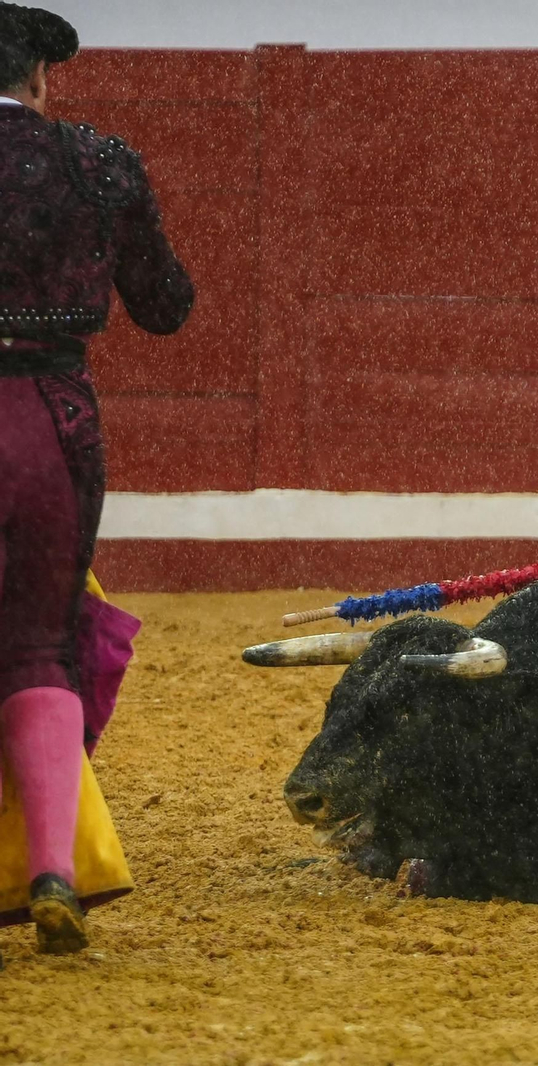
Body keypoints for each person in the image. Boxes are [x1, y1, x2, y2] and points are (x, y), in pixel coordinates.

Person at [0, 2, 193, 963]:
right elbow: (165, 308)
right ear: (39, 78)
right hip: (48, 418)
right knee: (39, 643)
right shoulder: (100, 162)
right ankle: (51, 871)